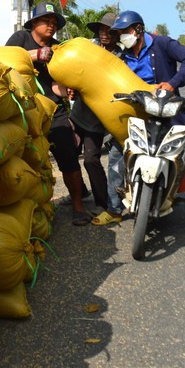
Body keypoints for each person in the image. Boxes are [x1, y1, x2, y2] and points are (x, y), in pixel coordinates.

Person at [99, 10, 185, 239]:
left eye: (124, 32)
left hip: (168, 111)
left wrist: (173, 84)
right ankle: (114, 210)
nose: (122, 36)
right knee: (116, 155)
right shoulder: (122, 56)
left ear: (138, 30)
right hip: (138, 114)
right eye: (119, 33)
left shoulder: (162, 44)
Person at [6, 1, 93, 226]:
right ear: (34, 22)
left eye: (54, 22)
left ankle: (78, 206)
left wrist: (67, 90)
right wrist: (36, 55)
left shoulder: (58, 49)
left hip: (53, 110)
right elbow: (5, 61)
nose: (51, 25)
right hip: (23, 110)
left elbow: (55, 86)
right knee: (26, 161)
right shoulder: (20, 39)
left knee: (68, 156)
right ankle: (30, 207)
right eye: (47, 20)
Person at [67, 13, 120, 217]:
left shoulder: (120, 58)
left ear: (116, 34)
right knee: (68, 154)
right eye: (101, 30)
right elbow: (76, 71)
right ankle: (79, 192)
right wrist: (72, 87)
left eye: (109, 31)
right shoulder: (91, 49)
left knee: (91, 160)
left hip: (97, 119)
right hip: (78, 112)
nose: (104, 34)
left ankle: (103, 201)